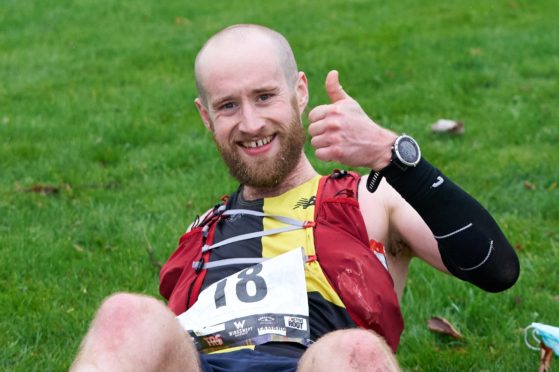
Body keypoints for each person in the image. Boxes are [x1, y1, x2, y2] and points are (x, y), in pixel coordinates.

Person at [71, 24, 519, 371]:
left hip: (314, 361)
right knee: (125, 313)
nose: (250, 123)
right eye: (228, 106)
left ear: (300, 91)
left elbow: (496, 268)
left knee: (356, 349)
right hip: (203, 360)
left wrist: (390, 154)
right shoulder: (204, 230)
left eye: (265, 96)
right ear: (205, 117)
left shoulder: (368, 197)